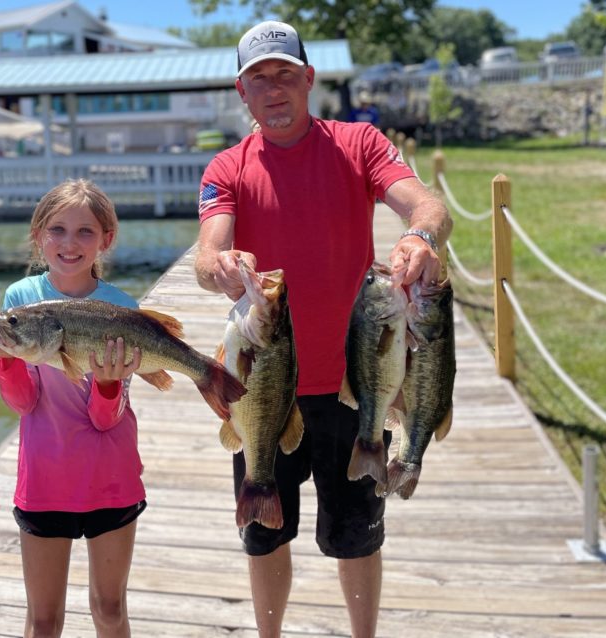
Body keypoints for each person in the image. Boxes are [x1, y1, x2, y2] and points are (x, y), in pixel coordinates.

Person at [194, 20, 452, 638]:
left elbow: (428, 205)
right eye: (260, 78)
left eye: (286, 74)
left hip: (354, 380)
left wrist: (418, 236)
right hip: (263, 384)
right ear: (241, 92)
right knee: (264, 534)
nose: (274, 88)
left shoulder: (359, 143)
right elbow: (207, 254)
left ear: (309, 79)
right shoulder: (226, 167)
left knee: (357, 535)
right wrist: (222, 267)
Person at [0, 178, 145, 638]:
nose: (69, 243)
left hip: (111, 476)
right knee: (44, 620)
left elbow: (104, 418)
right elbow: (23, 402)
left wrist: (109, 384)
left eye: (85, 232)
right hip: (44, 477)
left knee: (109, 608)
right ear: (38, 235)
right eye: (57, 229)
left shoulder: (122, 309)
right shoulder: (19, 301)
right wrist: (5, 357)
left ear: (105, 240)